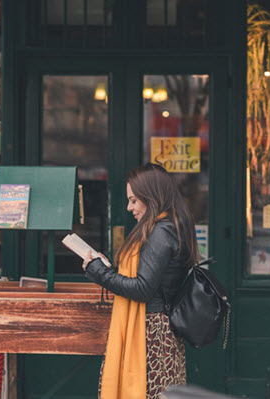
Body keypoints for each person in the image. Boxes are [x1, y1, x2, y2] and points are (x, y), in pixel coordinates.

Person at [83, 163, 200, 399]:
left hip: (152, 335)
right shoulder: (169, 226)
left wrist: (98, 272)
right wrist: (109, 269)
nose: (129, 207)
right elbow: (147, 279)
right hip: (158, 332)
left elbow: (142, 289)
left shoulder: (162, 231)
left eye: (134, 200)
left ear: (152, 196)